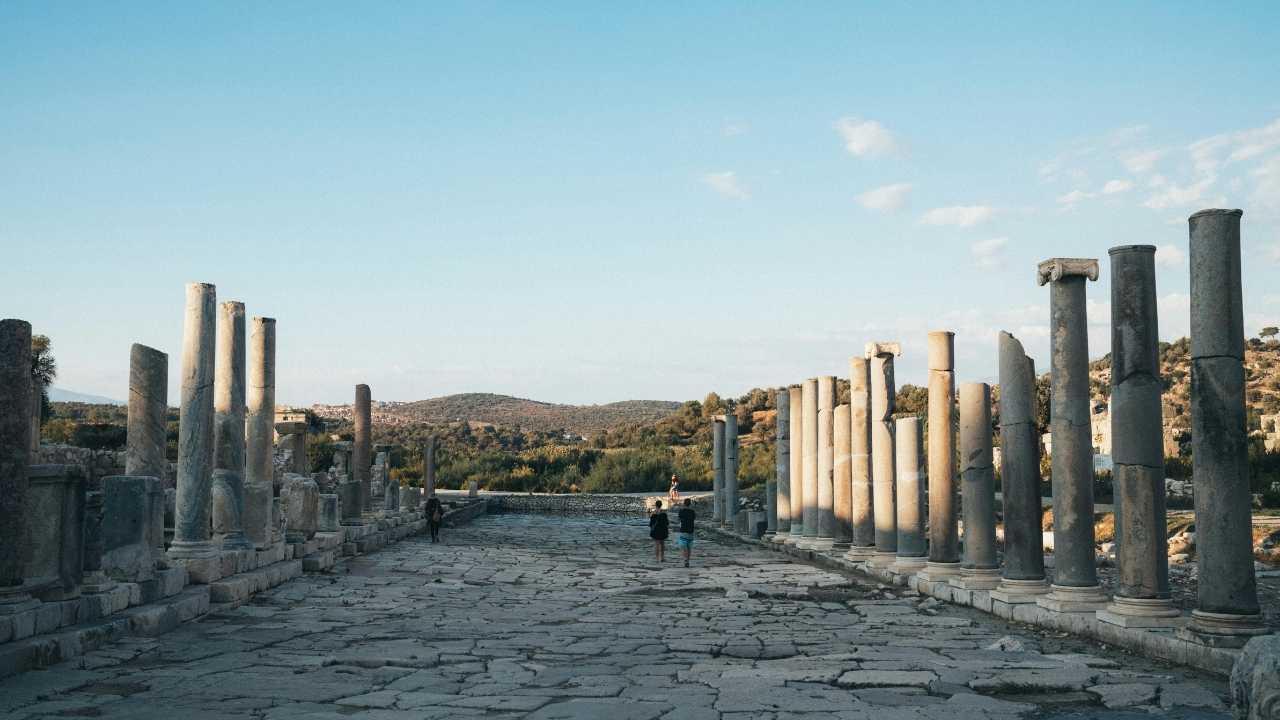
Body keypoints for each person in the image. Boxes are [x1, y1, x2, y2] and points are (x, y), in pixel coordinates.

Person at [676, 498, 696, 567]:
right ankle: (688, 560)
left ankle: (685, 560)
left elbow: (678, 520)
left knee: (684, 547)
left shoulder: (681, 511)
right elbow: (693, 519)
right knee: (689, 547)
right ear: (690, 504)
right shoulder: (692, 512)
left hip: (683, 530)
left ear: (684, 504)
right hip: (691, 530)